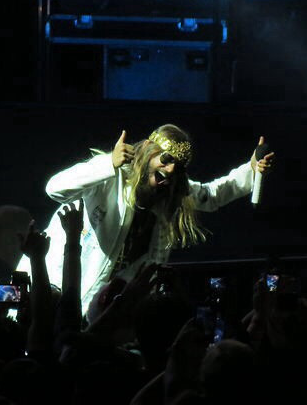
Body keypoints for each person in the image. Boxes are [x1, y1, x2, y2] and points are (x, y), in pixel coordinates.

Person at [17, 124, 275, 315]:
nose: (170, 170)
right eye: (166, 159)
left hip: (97, 309)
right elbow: (55, 188)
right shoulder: (111, 177)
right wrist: (108, 164)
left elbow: (212, 194)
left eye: (178, 167)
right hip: (50, 289)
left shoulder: (169, 193)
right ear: (150, 152)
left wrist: (250, 170)